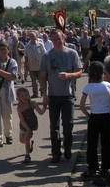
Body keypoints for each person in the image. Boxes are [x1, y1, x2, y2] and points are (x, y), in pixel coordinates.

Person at [40, 29, 83, 163]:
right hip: (53, 95)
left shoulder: (72, 53)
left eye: (59, 39)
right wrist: (44, 94)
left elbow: (79, 72)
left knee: (68, 124)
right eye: (54, 40)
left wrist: (69, 76)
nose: (57, 42)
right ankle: (56, 152)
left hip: (68, 95)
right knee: (54, 126)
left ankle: (68, 147)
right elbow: (42, 77)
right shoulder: (46, 56)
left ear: (63, 38)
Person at [79, 61, 110, 178]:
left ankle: (92, 167)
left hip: (94, 115)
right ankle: (105, 167)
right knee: (106, 143)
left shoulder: (88, 87)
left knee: (92, 143)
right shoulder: (108, 85)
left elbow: (82, 105)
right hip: (106, 116)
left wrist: (88, 115)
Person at [16, 87, 47, 163]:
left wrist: (44, 106)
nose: (24, 97)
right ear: (19, 98)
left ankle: (27, 155)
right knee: (22, 140)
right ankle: (30, 143)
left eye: (26, 95)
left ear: (28, 95)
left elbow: (40, 112)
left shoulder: (33, 103)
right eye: (22, 96)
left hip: (31, 123)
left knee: (26, 136)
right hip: (23, 125)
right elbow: (22, 119)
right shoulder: (19, 107)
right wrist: (27, 129)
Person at [24, 31, 46, 98]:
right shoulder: (27, 46)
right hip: (31, 66)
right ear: (29, 37)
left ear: (36, 37)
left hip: (40, 66)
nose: (33, 38)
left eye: (34, 36)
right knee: (33, 81)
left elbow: (45, 54)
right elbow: (26, 56)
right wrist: (26, 66)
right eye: (31, 36)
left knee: (41, 80)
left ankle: (43, 91)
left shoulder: (40, 44)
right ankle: (35, 93)